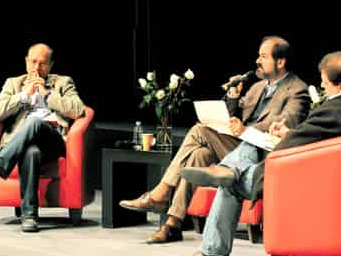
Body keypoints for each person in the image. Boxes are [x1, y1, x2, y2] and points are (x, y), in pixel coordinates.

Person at [181, 50, 341, 256]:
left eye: (325, 82)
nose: (321, 86)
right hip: (322, 169)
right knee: (251, 144)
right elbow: (314, 134)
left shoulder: (334, 109)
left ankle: (211, 250)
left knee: (231, 183)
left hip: (299, 178)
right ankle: (229, 168)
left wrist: (282, 140)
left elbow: (307, 136)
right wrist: (288, 134)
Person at [119, 36, 311, 244]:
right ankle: (173, 225)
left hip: (259, 152)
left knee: (199, 130)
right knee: (199, 154)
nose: (257, 60)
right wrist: (234, 97)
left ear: (280, 62)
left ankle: (161, 192)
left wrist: (245, 129)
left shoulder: (297, 90)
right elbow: (233, 118)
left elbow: (284, 123)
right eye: (258, 55)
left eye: (263, 57)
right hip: (237, 145)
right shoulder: (257, 87)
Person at [0, 43, 85, 232]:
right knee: (30, 152)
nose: (36, 68)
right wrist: (22, 96)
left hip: (52, 140)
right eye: (33, 62)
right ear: (26, 62)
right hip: (23, 143)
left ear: (50, 65)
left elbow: (78, 110)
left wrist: (48, 95)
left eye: (42, 63)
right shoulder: (13, 83)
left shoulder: (62, 82)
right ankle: (29, 217)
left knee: (34, 122)